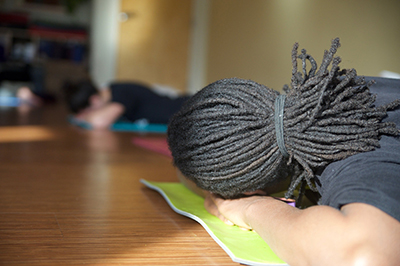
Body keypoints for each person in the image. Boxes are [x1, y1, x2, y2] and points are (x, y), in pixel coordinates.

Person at [167, 38, 400, 266]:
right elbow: (185, 170)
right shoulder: (332, 97)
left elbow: (361, 256)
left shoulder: (352, 155)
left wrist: (249, 208)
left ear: (252, 191)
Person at [64, 80, 190, 129]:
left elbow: (99, 122)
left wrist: (83, 117)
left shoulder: (120, 91)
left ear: (94, 100)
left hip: (189, 109)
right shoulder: (115, 92)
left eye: (86, 111)